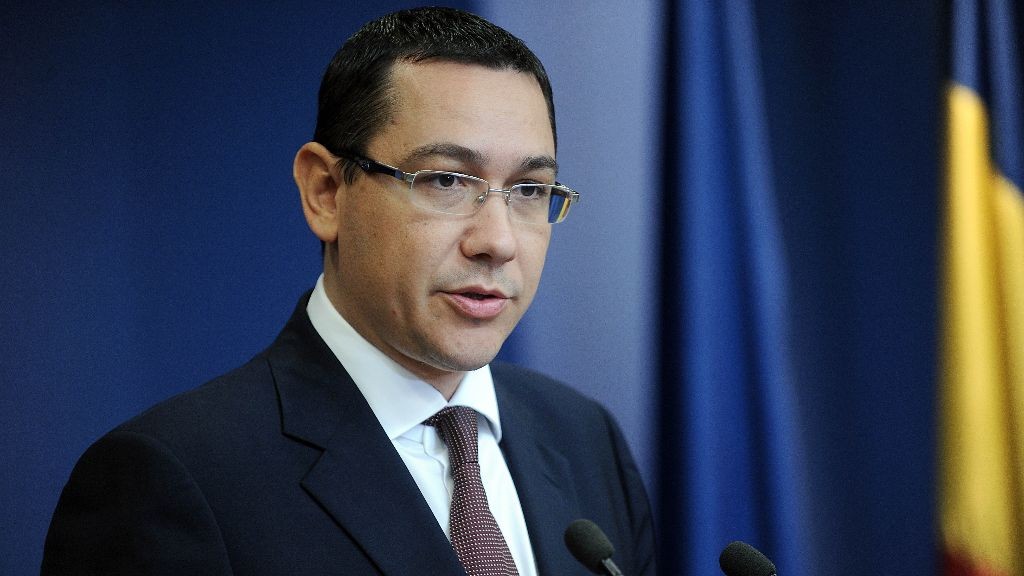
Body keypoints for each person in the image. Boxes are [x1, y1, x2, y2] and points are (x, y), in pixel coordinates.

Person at [41, 7, 656, 576]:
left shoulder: (585, 439)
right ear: (326, 192)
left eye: (529, 190)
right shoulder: (173, 478)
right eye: (445, 181)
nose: (498, 241)